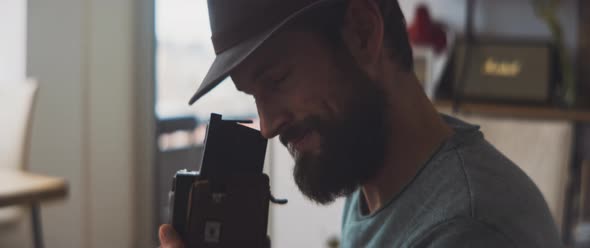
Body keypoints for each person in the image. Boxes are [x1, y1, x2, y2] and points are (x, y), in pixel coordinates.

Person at [159, 0, 563, 247]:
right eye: (253, 97)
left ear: (362, 32)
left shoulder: (468, 230)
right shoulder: (373, 178)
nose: (266, 125)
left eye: (277, 80)